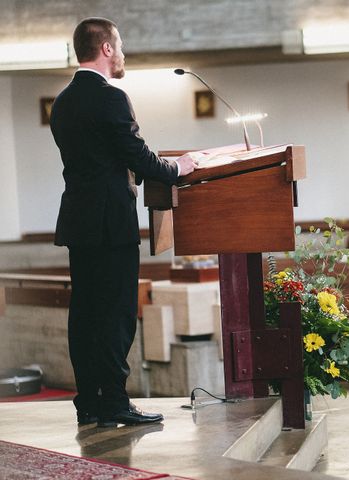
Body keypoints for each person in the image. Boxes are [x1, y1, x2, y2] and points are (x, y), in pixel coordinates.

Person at [50, 17, 197, 427]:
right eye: (121, 44)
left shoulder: (62, 102)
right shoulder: (111, 97)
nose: (124, 53)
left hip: (79, 224)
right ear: (107, 49)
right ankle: (114, 402)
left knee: (84, 314)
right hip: (111, 223)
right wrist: (179, 167)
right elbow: (139, 157)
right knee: (115, 316)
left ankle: (90, 402)